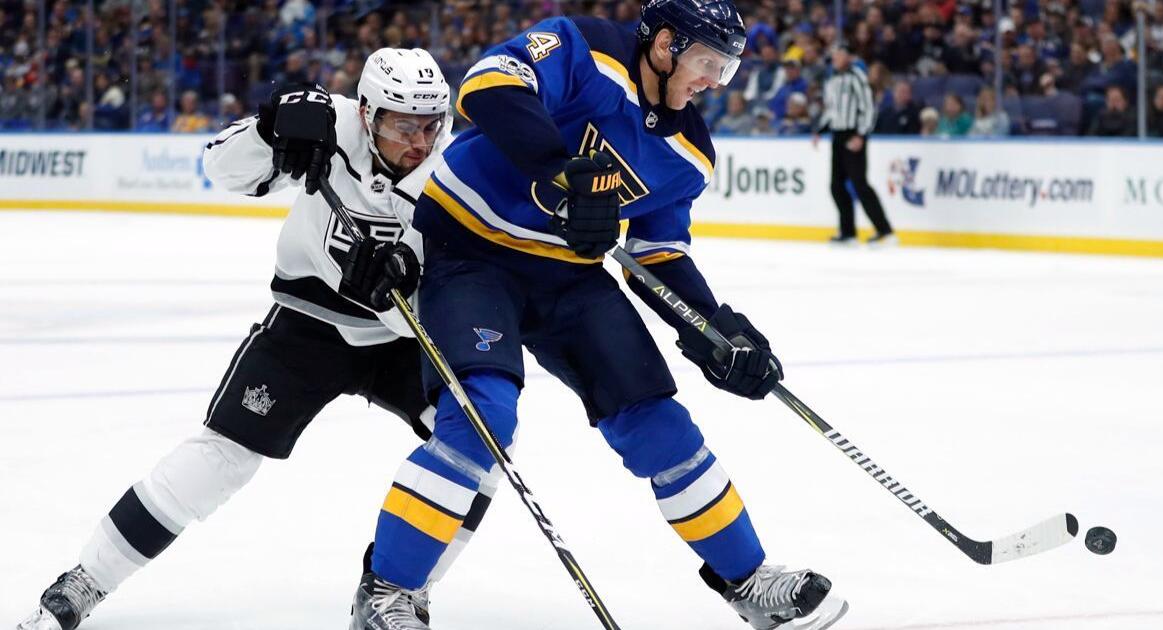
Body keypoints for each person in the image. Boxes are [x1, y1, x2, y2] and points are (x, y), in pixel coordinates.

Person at [349, 1, 850, 629]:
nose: (712, 83)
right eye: (705, 64)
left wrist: (712, 328)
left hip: (567, 276)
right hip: (468, 249)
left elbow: (658, 251)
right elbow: (488, 85)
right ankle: (389, 593)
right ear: (665, 45)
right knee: (482, 415)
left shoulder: (691, 152)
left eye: (725, 71)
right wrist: (561, 177)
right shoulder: (582, 46)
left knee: (658, 421)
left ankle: (748, 580)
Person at [16, 48, 495, 630]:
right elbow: (220, 169)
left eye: (430, 125)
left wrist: (401, 295)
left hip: (400, 340)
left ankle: (394, 592)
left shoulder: (453, 172)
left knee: (479, 446)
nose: (419, 142)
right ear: (367, 112)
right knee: (222, 455)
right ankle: (87, 579)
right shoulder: (331, 125)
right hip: (307, 325)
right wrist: (267, 132)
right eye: (402, 125)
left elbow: (455, 293)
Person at [813, 45, 895, 246]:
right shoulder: (832, 80)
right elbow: (831, 110)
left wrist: (861, 135)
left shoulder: (858, 76)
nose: (835, 58)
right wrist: (819, 130)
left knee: (860, 184)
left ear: (848, 57)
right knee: (836, 185)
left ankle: (885, 231)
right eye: (834, 55)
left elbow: (868, 108)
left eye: (839, 54)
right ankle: (848, 232)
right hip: (838, 136)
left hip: (853, 135)